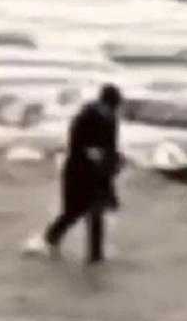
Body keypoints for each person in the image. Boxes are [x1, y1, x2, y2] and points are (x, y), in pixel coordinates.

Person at [40, 84, 124, 264]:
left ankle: (91, 255)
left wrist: (111, 162)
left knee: (85, 212)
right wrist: (105, 162)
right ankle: (54, 243)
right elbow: (90, 147)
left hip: (86, 171)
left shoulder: (98, 116)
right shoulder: (96, 117)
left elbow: (104, 147)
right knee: (82, 212)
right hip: (84, 171)